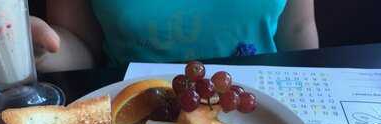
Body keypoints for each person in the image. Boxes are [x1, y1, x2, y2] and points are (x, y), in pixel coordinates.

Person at [31, 0, 318, 72]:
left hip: (263, 111)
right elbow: (80, 47)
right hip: (134, 120)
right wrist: (34, 51)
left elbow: (298, 28)